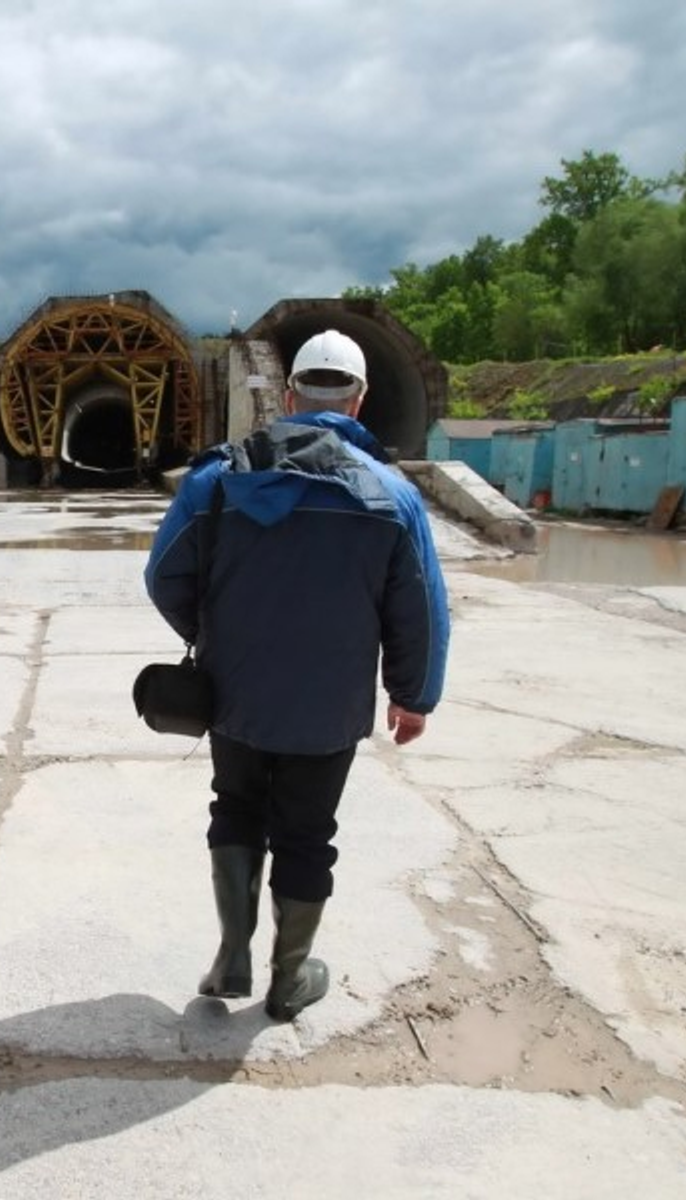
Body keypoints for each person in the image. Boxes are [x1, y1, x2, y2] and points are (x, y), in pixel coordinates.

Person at [144, 329, 449, 1021]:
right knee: (308, 834)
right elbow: (422, 609)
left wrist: (209, 635)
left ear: (288, 398)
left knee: (236, 807)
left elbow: (163, 576)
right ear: (360, 401)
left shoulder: (218, 481)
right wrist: (414, 695)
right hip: (330, 705)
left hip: (235, 692)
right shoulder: (391, 496)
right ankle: (289, 979)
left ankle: (233, 955)